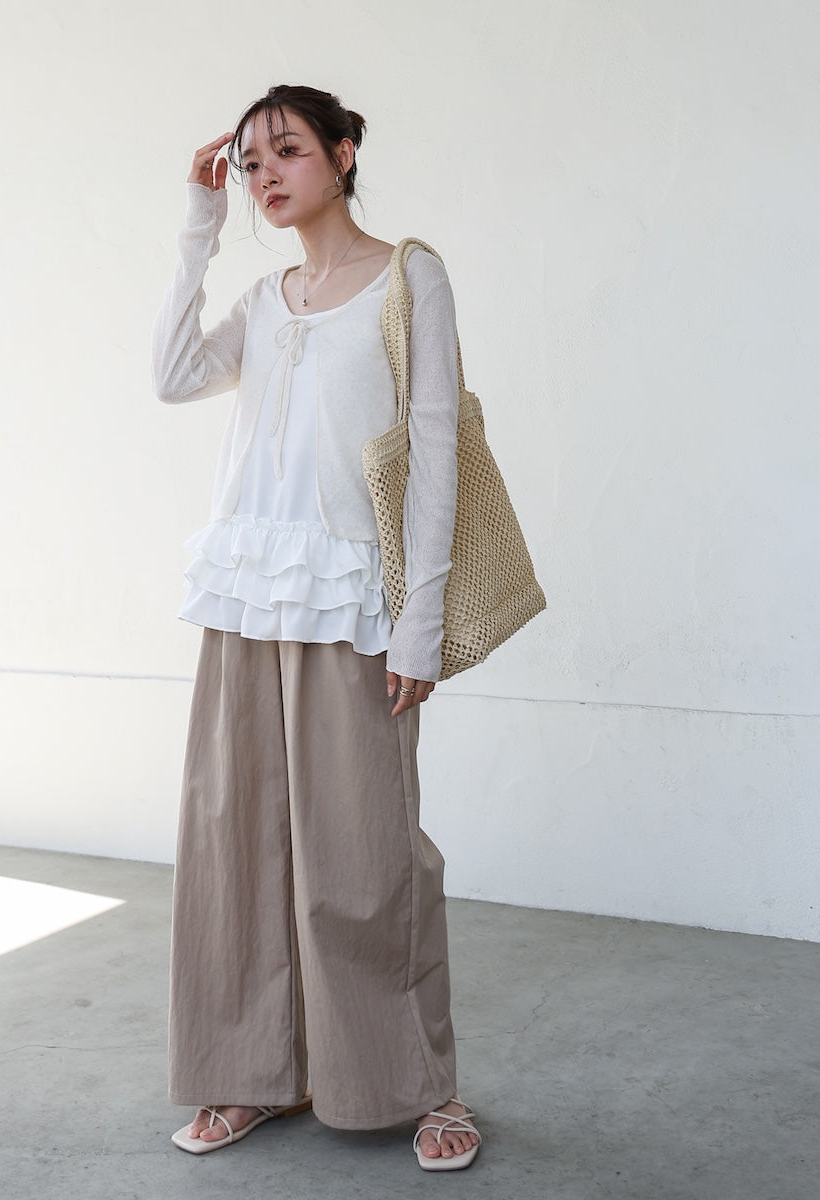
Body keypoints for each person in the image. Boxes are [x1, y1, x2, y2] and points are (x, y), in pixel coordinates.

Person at [152, 84, 480, 1172]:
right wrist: (198, 223)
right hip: (248, 597)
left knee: (367, 856)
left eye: (286, 151)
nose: (265, 175)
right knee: (234, 845)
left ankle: (419, 1084)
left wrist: (420, 624)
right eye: (250, 162)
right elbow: (172, 377)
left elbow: (435, 453)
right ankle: (251, 1074)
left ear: (342, 154)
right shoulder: (264, 296)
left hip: (353, 603)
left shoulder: (410, 278)